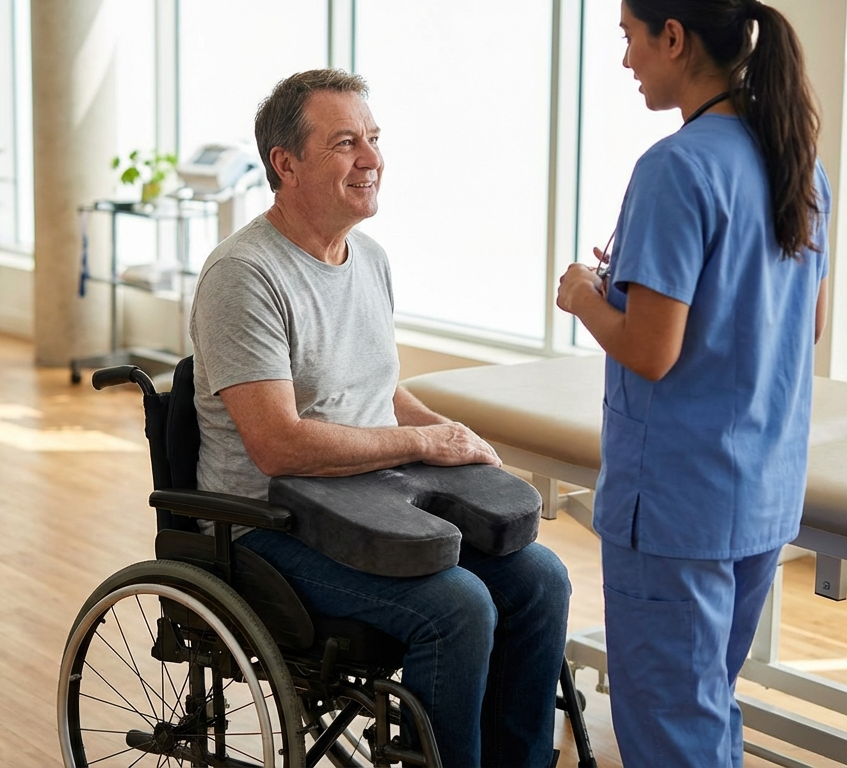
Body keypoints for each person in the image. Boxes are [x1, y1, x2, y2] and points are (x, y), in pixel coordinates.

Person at [190, 68, 571, 768]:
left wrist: (452, 441)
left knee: (540, 577)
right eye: (345, 143)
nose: (371, 159)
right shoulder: (244, 276)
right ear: (286, 164)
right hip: (268, 526)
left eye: (373, 138)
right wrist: (423, 440)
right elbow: (278, 445)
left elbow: (381, 388)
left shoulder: (368, 258)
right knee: (457, 606)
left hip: (369, 503)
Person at [555, 1, 830, 766]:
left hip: (677, 504)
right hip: (759, 493)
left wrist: (585, 296)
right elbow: (801, 324)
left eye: (630, 40)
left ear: (672, 37)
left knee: (673, 725)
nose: (626, 61)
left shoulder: (675, 168)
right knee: (705, 704)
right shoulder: (797, 163)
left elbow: (649, 352)